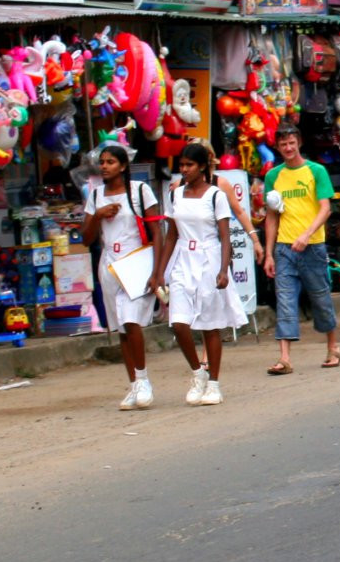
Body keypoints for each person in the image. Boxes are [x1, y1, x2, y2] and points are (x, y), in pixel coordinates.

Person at [149, 142, 248, 406]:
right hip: (183, 258)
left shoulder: (215, 195)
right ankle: (197, 373)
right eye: (181, 165)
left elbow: (225, 236)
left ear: (202, 167)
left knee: (210, 324)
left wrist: (223, 269)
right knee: (179, 322)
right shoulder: (176, 195)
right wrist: (159, 271)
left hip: (209, 257)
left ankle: (214, 383)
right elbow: (171, 235)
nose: (184, 170)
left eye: (189, 165)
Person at [82, 145, 158, 411]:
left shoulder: (140, 191)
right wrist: (99, 215)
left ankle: (144, 379)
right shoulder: (95, 195)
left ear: (123, 166)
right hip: (110, 265)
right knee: (121, 329)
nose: (104, 166)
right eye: (102, 162)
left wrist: (158, 271)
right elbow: (86, 238)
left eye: (111, 162)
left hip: (136, 263)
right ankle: (134, 384)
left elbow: (156, 230)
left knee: (131, 320)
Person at [262, 125, 340, 374]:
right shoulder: (273, 176)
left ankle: (333, 347)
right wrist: (268, 253)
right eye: (283, 144)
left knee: (320, 298)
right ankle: (284, 358)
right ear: (278, 147)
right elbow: (272, 216)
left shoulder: (316, 171)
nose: (288, 148)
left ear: (299, 143)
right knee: (284, 301)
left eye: (291, 143)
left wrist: (307, 235)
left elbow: (325, 208)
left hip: (313, 247)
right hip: (285, 249)